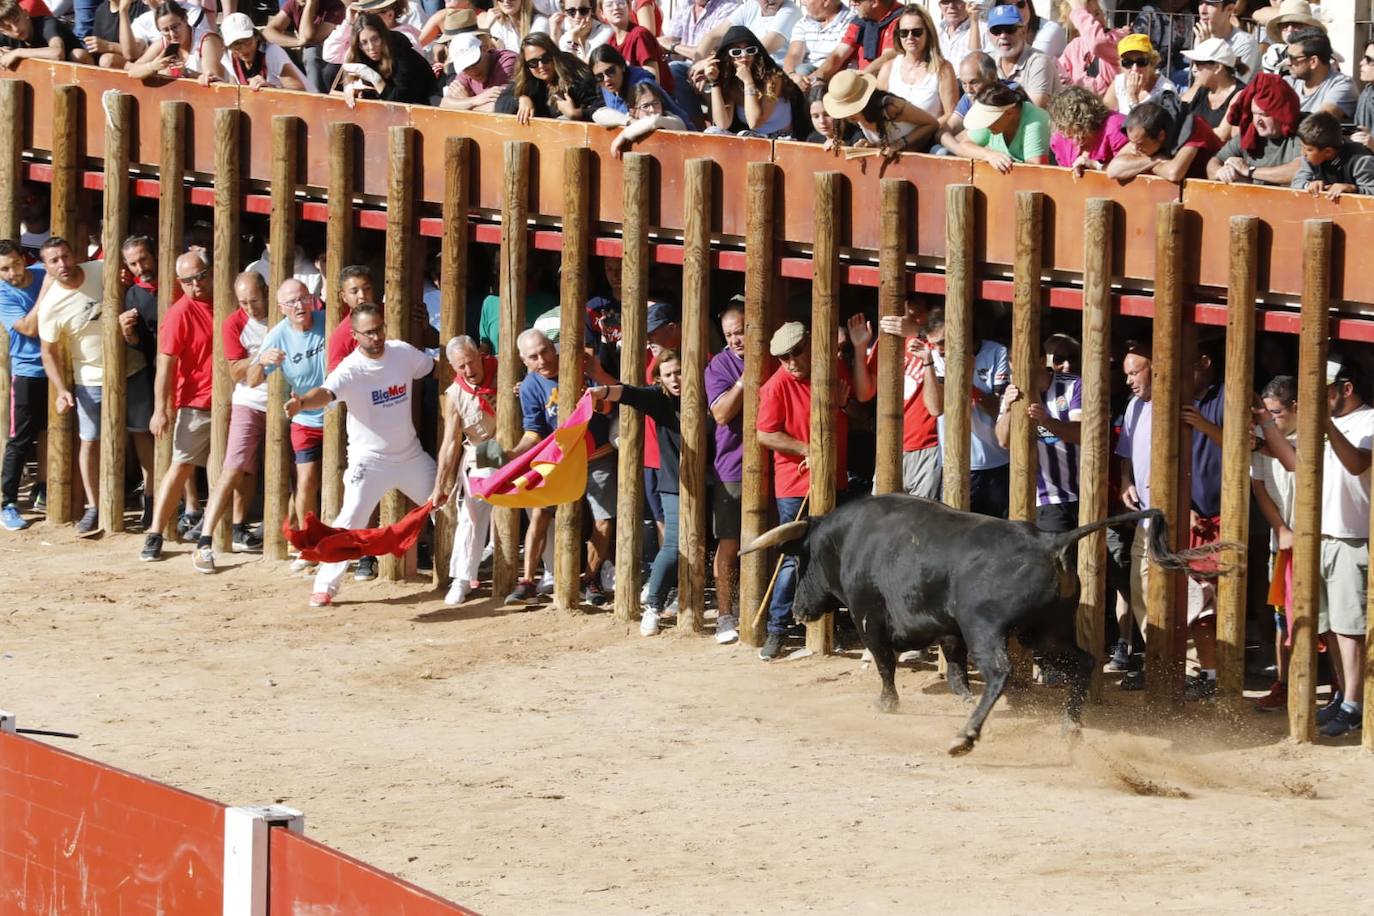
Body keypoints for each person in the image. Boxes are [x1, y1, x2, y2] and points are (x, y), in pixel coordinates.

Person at [285, 303, 436, 607]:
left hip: (410, 456)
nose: (376, 337)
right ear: (355, 335)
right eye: (368, 333)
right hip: (369, 461)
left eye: (379, 329)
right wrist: (301, 402)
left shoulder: (402, 352)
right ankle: (326, 586)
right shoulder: (350, 369)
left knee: (448, 504)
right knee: (349, 519)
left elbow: (433, 366)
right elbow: (324, 394)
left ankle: (461, 575)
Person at [1262, 356, 1372, 736]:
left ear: (1346, 389)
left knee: (1350, 628)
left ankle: (1355, 704)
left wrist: (1326, 427)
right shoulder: (1328, 425)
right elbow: (1295, 463)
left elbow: (1358, 464)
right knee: (1328, 626)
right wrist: (1264, 425)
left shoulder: (1367, 421)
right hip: (1320, 537)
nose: (1315, 400)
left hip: (1352, 537)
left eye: (1322, 392)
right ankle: (1343, 698)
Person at [756, 320, 872, 660]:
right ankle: (777, 628)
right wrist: (807, 449)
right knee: (795, 559)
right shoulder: (775, 387)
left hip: (835, 480)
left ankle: (828, 627)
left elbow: (856, 411)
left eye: (796, 353)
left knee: (833, 556)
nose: (791, 362)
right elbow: (765, 433)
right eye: (783, 357)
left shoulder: (833, 366)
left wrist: (841, 405)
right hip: (795, 484)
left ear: (809, 343)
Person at [36, 236, 151, 535]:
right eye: (54, 260)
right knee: (90, 442)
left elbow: (129, 279)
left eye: (65, 256)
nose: (62, 264)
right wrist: (62, 389)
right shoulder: (51, 306)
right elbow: (47, 353)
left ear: (74, 254)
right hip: (89, 379)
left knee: (143, 435)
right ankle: (94, 506)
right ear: (46, 267)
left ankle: (151, 500)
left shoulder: (103, 268)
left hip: (132, 367)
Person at [504, 327, 616, 605]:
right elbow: (534, 431)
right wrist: (512, 453)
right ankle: (528, 581)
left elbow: (614, 401)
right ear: (523, 360)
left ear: (553, 347)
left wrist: (596, 385)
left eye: (544, 351)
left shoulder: (582, 365)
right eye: (533, 357)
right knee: (540, 514)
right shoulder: (530, 385)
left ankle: (589, 579)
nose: (542, 360)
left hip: (598, 455)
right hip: (560, 459)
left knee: (603, 520)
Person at [588, 350, 687, 637]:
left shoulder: (704, 394)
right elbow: (630, 394)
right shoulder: (661, 399)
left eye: (678, 371)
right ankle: (654, 606)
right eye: (668, 374)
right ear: (660, 379)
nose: (674, 379)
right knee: (673, 544)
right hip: (674, 482)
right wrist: (604, 391)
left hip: (713, 480)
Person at [188, 271, 271, 573]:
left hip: (287, 402)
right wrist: (263, 357)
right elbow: (236, 372)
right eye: (244, 302)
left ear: (267, 291)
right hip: (250, 402)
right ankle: (205, 541)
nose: (251, 308)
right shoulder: (234, 323)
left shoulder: (284, 314)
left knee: (296, 471)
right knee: (233, 468)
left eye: (255, 300)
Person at [140, 251, 215, 562]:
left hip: (230, 400)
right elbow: (166, 364)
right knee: (182, 464)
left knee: (230, 470)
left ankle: (221, 529)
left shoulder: (226, 300)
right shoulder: (179, 313)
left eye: (200, 276)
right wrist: (161, 408)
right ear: (179, 283)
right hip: (195, 402)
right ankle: (155, 532)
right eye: (188, 280)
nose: (196, 284)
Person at [249, 279, 327, 565]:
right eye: (292, 302)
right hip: (304, 416)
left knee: (344, 479)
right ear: (281, 308)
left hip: (339, 412)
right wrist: (261, 361)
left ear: (312, 299)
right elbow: (252, 380)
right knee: (305, 481)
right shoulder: (278, 334)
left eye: (303, 299)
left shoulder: (327, 320)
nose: (299, 306)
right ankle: (309, 544)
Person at [430, 336, 497, 606]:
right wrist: (439, 486)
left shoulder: (505, 370)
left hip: (521, 445)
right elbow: (449, 443)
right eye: (461, 366)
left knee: (539, 510)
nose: (469, 370)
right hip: (482, 451)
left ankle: (548, 573)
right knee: (471, 513)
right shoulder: (454, 393)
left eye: (471, 362)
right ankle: (461, 578)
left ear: (480, 355)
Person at [928, 312, 1010, 518]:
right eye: (934, 344)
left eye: (943, 342)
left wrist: (967, 381)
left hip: (996, 462)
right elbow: (936, 408)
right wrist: (927, 364)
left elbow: (999, 409)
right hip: (953, 464)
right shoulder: (937, 356)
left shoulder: (996, 352)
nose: (939, 350)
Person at [1250, 374, 1298, 712]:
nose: (1270, 420)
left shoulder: (1316, 435)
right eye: (1265, 413)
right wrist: (1281, 529)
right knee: (1282, 615)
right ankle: (1283, 683)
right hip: (1281, 539)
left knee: (1323, 620)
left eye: (1276, 413)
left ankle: (1337, 689)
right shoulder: (1261, 436)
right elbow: (1260, 488)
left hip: (1320, 539)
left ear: (1296, 408)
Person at [703, 301, 745, 644]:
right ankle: (725, 614)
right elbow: (721, 414)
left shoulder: (776, 357)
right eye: (730, 334)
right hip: (731, 467)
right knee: (728, 543)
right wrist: (745, 383)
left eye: (741, 331)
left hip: (774, 465)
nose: (736, 339)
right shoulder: (719, 365)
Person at [873, 295, 941, 500]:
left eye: (916, 312)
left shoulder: (937, 344)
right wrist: (860, 349)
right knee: (881, 515)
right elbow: (864, 392)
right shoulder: (889, 341)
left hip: (928, 445)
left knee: (921, 520)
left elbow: (936, 408)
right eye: (906, 310)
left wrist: (917, 333)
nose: (909, 317)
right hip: (891, 443)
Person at [0, 239, 45, 531]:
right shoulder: (4, 294)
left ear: (23, 259)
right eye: (4, 269)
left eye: (15, 264)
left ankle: (42, 489)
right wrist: (47, 293)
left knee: (53, 432)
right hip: (27, 371)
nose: (12, 273)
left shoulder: (43, 272)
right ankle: (7, 503)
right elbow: (29, 328)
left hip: (58, 368)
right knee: (20, 440)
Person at [1114, 339, 1152, 687]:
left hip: (1177, 515)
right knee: (1140, 588)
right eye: (1126, 373)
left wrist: (1046, 423)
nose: (1128, 380)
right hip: (1143, 514)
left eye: (1134, 371)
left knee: (1180, 593)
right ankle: (1156, 660)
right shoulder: (1133, 406)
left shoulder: (1175, 404)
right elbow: (1125, 450)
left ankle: (1187, 668)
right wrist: (1126, 479)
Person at [117, 234, 159, 528]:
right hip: (150, 371)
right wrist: (130, 336)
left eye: (143, 258)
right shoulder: (132, 295)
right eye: (133, 263)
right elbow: (139, 347)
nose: (140, 266)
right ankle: (151, 498)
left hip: (189, 370)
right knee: (144, 433)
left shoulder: (181, 284)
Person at [698, 25, 805, 137]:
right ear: (728, 57)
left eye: (750, 50)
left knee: (745, 135)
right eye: (736, 52)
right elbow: (722, 124)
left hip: (781, 138)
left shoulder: (772, 78)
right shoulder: (731, 83)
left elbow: (755, 122)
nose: (744, 56)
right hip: (753, 138)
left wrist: (748, 82)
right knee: (713, 131)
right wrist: (714, 82)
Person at [1206, 72, 1302, 186]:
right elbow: (1214, 161)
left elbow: (1300, 170)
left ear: (1281, 114)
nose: (1258, 121)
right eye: (1254, 113)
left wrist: (1250, 171)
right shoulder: (1250, 133)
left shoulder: (1303, 129)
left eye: (1264, 114)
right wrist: (1220, 171)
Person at [821, 67, 937, 155]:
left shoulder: (891, 107)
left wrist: (900, 143)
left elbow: (932, 124)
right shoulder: (852, 118)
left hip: (923, 154)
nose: (849, 113)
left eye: (852, 106)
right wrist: (869, 144)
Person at [1106, 98, 1222, 184]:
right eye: (1132, 143)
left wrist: (1139, 165)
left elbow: (1174, 173)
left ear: (1161, 135)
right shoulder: (1140, 136)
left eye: (1140, 144)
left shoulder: (1193, 127)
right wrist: (1156, 160)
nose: (1135, 149)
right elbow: (1113, 170)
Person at [939, 82, 1049, 173]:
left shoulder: (1035, 123)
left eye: (990, 119)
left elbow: (1035, 170)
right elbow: (964, 146)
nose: (986, 125)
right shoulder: (993, 117)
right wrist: (989, 155)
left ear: (1010, 113)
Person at [495, 31, 602, 123]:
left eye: (545, 58)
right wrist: (521, 99)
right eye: (533, 62)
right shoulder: (528, 78)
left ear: (553, 55)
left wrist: (576, 113)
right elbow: (500, 104)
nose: (541, 66)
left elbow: (601, 106)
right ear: (526, 66)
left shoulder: (575, 75)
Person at [875, 4, 956, 125]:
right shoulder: (888, 69)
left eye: (916, 32)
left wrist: (921, 134)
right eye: (904, 32)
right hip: (891, 141)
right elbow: (877, 111)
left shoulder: (943, 69)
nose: (910, 37)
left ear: (928, 33)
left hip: (928, 140)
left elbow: (951, 114)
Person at [339, 12, 437, 106]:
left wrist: (374, 78)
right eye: (364, 43)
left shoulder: (402, 54)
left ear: (383, 36)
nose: (371, 47)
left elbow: (398, 102)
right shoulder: (362, 54)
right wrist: (351, 87)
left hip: (425, 105)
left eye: (375, 39)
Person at [588, 44, 691, 123]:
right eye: (599, 77)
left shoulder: (643, 85)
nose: (606, 79)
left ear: (622, 66)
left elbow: (653, 122)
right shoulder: (606, 85)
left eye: (610, 71)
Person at [126, 1, 224, 83]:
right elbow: (131, 71)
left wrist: (186, 72)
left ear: (185, 20)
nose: (172, 34)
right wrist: (153, 66)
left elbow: (212, 78)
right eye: (166, 30)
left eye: (175, 27)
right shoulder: (163, 42)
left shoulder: (207, 40)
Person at [262, 0, 348, 92]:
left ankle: (315, 96)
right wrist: (297, 42)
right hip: (303, 50)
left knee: (311, 53)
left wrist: (310, 4)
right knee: (277, 50)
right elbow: (268, 32)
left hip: (330, 58)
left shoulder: (334, 6)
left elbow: (309, 38)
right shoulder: (294, 4)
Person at [985, 2, 1057, 107]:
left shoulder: (1038, 61)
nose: (1003, 36)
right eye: (996, 30)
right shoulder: (988, 62)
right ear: (988, 34)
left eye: (1010, 29)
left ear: (1023, 31)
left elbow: (1034, 108)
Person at [1291, 111, 1374, 200]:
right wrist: (1308, 185)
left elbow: (1371, 190)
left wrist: (1353, 189)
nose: (1303, 153)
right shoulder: (1309, 159)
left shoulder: (1360, 160)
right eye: (1302, 147)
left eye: (1309, 150)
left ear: (1328, 152)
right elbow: (1296, 183)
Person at [1047, 84, 1128, 176]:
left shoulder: (1116, 128)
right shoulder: (1059, 139)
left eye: (1066, 126)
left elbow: (1129, 168)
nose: (1064, 134)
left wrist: (1096, 165)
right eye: (1060, 126)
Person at [218, 11, 309, 90]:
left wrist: (271, 88)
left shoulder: (273, 53)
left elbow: (300, 90)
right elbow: (234, 89)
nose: (243, 48)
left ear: (256, 36)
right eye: (236, 44)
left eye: (246, 40)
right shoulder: (228, 57)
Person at [599, 80, 690, 157]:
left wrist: (623, 135)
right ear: (633, 111)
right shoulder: (631, 118)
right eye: (645, 106)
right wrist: (629, 121)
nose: (652, 109)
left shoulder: (671, 119)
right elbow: (598, 114)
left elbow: (655, 120)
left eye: (656, 103)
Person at [1283, 27, 1356, 119]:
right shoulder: (1288, 82)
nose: (1288, 63)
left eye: (1293, 58)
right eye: (1287, 56)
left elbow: (1320, 121)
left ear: (1313, 61)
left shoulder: (1342, 85)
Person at [1179, 37, 1246, 136]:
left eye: (1198, 63)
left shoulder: (1240, 94)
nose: (1193, 69)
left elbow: (1222, 134)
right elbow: (1177, 114)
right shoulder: (1200, 87)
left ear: (1217, 67)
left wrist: (1188, 138)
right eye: (1193, 63)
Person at [437, 30, 518, 112]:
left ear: (484, 48)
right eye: (466, 67)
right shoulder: (465, 73)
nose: (473, 71)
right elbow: (444, 104)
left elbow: (499, 106)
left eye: (475, 62)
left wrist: (464, 103)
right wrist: (475, 100)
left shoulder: (506, 62)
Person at [781, 0, 853, 90]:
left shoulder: (851, 21)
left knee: (802, 70)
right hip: (806, 75)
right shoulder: (803, 22)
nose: (803, 2)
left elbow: (837, 58)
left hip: (835, 76)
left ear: (826, 1)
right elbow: (794, 54)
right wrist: (791, 75)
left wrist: (813, 79)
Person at [1056, 0, 1122, 97]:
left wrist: (1078, 9)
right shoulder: (1074, 46)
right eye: (1087, 16)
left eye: (1097, 13)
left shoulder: (1117, 37)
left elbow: (1097, 43)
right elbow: (1059, 76)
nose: (1094, 21)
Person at [0, 0, 91, 68]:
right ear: (2, 31)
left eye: (17, 21)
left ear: (26, 14)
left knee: (78, 54)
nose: (16, 29)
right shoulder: (5, 35)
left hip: (72, 68)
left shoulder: (47, 24)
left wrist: (17, 52)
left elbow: (57, 53)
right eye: (8, 28)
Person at [1103, 33, 1176, 116]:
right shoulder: (1120, 82)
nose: (1135, 69)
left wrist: (1133, 98)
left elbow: (1146, 127)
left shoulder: (1165, 91)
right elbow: (1103, 115)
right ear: (1121, 65)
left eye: (1141, 62)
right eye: (1127, 63)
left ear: (1151, 63)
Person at [601, 0, 671, 86]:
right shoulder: (611, 41)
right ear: (602, 14)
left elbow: (652, 82)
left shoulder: (640, 35)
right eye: (609, 5)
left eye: (621, 2)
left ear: (629, 7)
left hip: (651, 96)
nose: (616, 7)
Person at [1193, 0, 1258, 79]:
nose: (1202, 10)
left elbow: (1234, 87)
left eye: (1210, 4)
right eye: (1200, 3)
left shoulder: (1245, 43)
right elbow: (1194, 77)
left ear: (1229, 9)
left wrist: (1205, 50)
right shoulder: (1202, 37)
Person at [1258, 0, 1322, 75]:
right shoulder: (1275, 52)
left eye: (1296, 24)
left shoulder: (1322, 55)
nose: (1290, 29)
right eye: (1284, 25)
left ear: (1309, 28)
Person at [83, 0, 145, 68]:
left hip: (135, 66)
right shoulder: (101, 10)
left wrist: (108, 46)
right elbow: (97, 50)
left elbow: (135, 53)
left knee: (107, 60)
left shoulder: (142, 8)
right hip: (103, 64)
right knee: (80, 55)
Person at [478, 0, 549, 52]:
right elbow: (482, 53)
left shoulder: (540, 22)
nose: (506, 1)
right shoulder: (499, 24)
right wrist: (486, 27)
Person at [933, 0, 977, 70]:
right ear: (940, 6)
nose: (951, 6)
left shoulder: (982, 31)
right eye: (946, 1)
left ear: (969, 4)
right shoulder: (934, 30)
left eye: (957, 1)